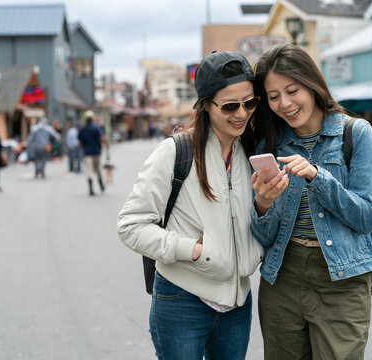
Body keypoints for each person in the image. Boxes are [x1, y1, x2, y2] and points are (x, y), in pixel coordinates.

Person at [117, 51, 264, 360]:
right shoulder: (174, 152)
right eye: (229, 106)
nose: (241, 113)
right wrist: (194, 250)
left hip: (238, 302)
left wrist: (264, 205)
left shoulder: (250, 153)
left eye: (249, 103)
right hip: (182, 298)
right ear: (205, 106)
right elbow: (130, 226)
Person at [249, 44, 372, 359]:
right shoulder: (270, 145)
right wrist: (262, 206)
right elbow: (265, 237)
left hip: (342, 279)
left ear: (311, 83)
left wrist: (317, 177)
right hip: (282, 275)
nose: (285, 103)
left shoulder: (356, 134)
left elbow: (367, 217)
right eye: (274, 96)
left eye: (292, 90)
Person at [78, 110, 105, 196]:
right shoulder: (96, 127)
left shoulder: (82, 128)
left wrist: (83, 149)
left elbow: (80, 142)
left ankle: (90, 189)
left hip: (87, 152)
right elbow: (102, 138)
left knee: (89, 170)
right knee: (97, 169)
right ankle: (101, 185)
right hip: (96, 151)